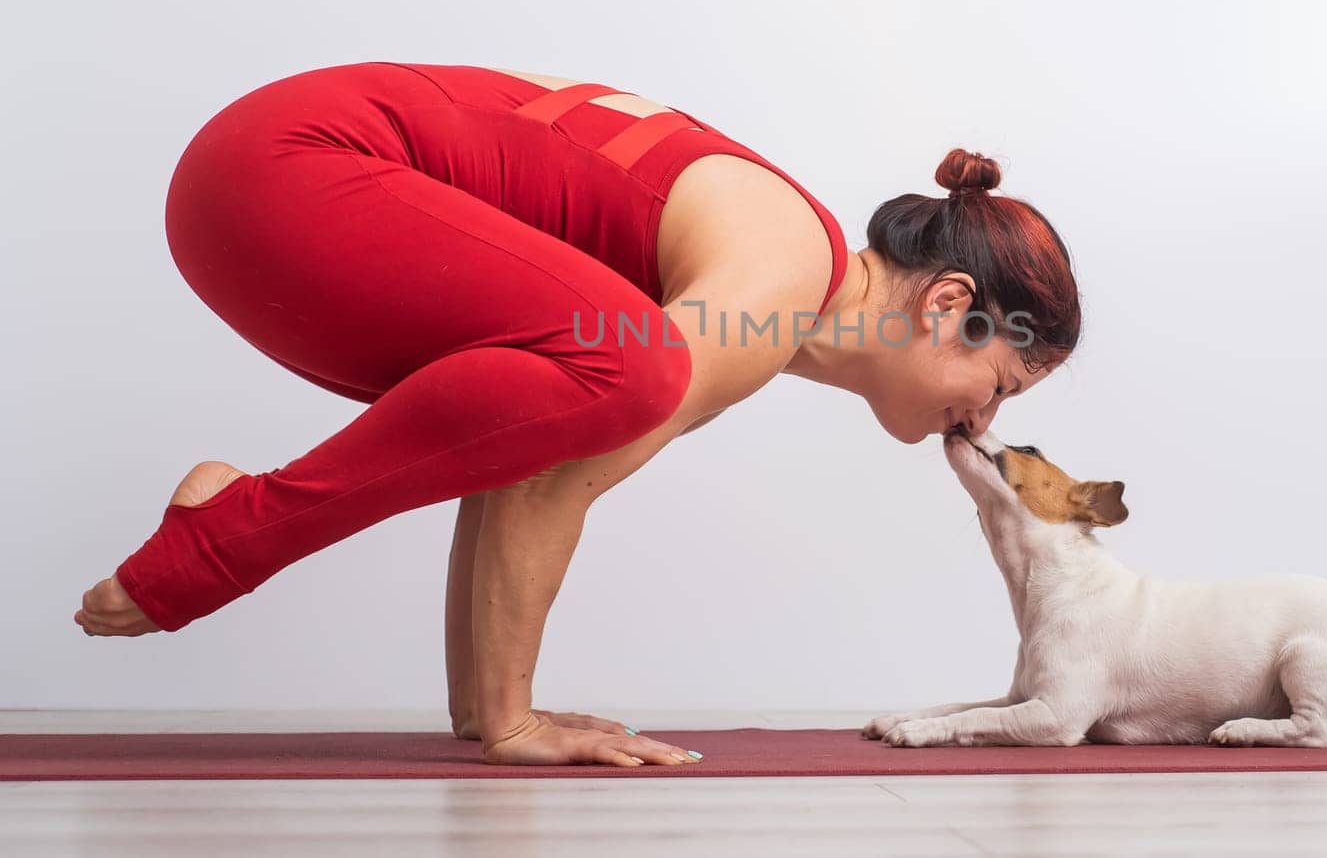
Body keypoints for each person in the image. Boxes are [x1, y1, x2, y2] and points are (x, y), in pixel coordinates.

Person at [72, 61, 1083, 767]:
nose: (981, 427)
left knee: (581, 386)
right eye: (998, 386)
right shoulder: (776, 280)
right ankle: (228, 534)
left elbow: (524, 459)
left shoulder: (771, 281)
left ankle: (241, 533)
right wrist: (519, 725)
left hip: (245, 187)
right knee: (627, 371)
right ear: (949, 306)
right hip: (289, 172)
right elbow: (560, 484)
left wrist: (481, 714)